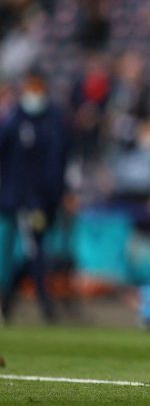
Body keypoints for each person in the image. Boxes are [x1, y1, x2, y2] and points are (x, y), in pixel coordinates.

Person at [0, 69, 69, 323]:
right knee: (32, 250)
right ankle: (43, 304)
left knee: (34, 250)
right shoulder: (15, 120)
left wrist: (60, 194)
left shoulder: (54, 121)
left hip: (43, 198)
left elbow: (61, 161)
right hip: (15, 198)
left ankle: (9, 297)